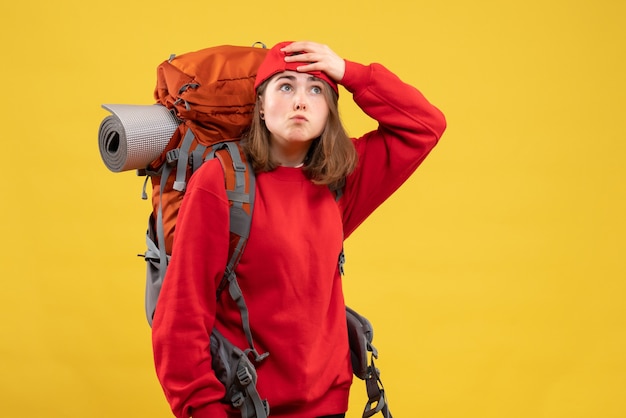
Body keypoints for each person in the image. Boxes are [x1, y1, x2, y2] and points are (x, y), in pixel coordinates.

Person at [151, 40, 447, 418]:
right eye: (286, 85)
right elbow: (181, 317)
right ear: (260, 104)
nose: (301, 101)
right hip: (248, 406)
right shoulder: (221, 181)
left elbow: (424, 125)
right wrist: (205, 410)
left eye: (317, 89)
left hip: (329, 405)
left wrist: (350, 73)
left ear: (329, 110)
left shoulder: (340, 180)